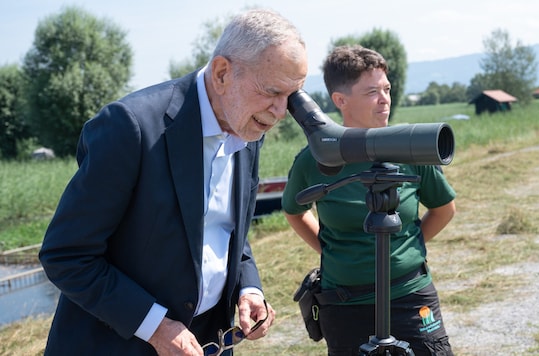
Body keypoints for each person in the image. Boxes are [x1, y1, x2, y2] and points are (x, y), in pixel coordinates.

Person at [38, 9, 308, 356]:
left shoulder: (249, 124)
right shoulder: (129, 126)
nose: (280, 111)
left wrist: (248, 288)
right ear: (223, 73)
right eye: (272, 91)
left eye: (292, 95)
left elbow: (227, 234)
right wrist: (155, 327)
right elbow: (66, 255)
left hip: (208, 343)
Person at [282, 45, 456, 355]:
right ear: (340, 100)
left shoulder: (410, 148)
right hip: (345, 304)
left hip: (410, 295)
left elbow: (444, 209)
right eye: (372, 91)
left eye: (387, 89)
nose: (385, 98)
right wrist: (330, 251)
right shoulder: (315, 160)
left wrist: (403, 249)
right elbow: (294, 211)